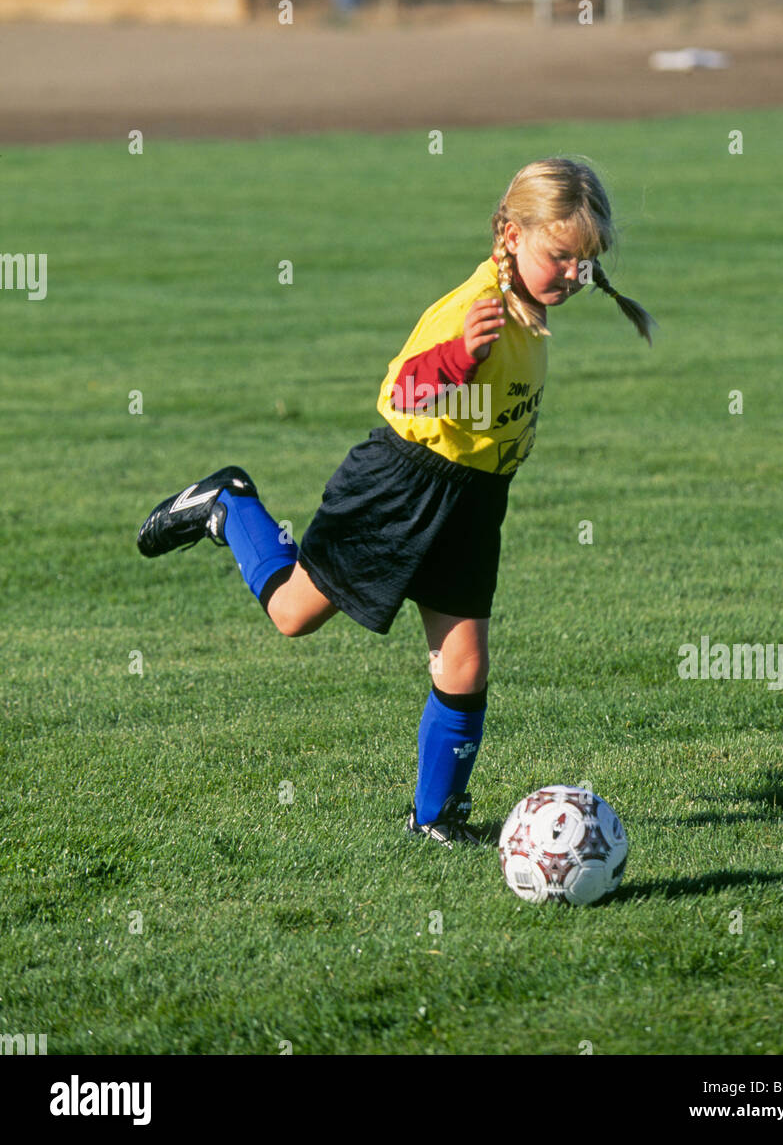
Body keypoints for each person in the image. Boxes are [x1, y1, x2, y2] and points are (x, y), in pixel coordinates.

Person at [136, 159, 655, 848]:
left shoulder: (529, 309)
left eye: (583, 262)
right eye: (560, 257)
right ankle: (228, 504)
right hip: (402, 486)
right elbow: (401, 394)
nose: (572, 275)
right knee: (294, 615)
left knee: (465, 664)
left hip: (472, 501)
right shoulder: (474, 310)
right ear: (509, 232)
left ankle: (435, 818)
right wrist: (459, 362)